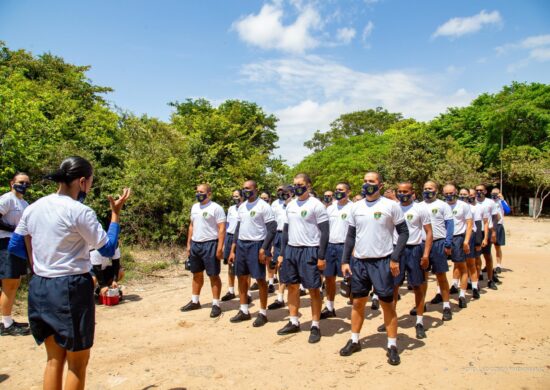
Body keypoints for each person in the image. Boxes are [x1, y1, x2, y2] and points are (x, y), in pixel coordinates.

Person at [8, 156, 130, 390]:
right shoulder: (80, 211)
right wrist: (115, 215)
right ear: (82, 181)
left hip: (41, 286)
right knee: (77, 362)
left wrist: (39, 265)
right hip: (70, 288)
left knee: (54, 360)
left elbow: (15, 246)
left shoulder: (34, 207)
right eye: (91, 182)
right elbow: (107, 247)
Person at [339, 172, 408, 365]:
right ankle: (354, 340)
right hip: (359, 262)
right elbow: (350, 236)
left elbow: (403, 233)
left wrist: (395, 258)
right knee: (358, 303)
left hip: (382, 262)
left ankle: (392, 345)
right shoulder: (356, 207)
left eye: (371, 181)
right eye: (365, 180)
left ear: (380, 185)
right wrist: (345, 261)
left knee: (387, 303)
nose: (367, 183)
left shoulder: (390, 205)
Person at [276, 173, 329, 343]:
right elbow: (285, 231)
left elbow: (325, 232)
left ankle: (315, 325)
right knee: (292, 286)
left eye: (300, 184)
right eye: (295, 184)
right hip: (292, 250)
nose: (297, 187)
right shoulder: (290, 205)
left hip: (310, 250)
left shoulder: (316, 205)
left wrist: (321, 256)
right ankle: (293, 321)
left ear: (309, 186)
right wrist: (282, 254)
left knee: (313, 289)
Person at [228, 180, 276, 327]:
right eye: (244, 189)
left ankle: (262, 313)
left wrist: (264, 249)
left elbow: (272, 229)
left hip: (257, 245)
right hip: (242, 245)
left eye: (248, 188)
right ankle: (244, 310)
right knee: (241, 278)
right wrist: (233, 249)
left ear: (256, 189)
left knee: (260, 280)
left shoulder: (264, 206)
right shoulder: (242, 207)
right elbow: (237, 229)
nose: (246, 191)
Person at [390, 181, 432, 339]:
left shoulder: (420, 208)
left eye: (405, 191)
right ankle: (391, 319)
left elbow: (429, 233)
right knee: (393, 287)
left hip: (414, 250)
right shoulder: (393, 207)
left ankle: (419, 322)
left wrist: (426, 254)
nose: (402, 194)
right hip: (396, 251)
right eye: (399, 191)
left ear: (412, 192)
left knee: (417, 286)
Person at [180, 184, 226, 317]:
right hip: (196, 245)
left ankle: (216, 304)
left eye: (202, 192)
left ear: (209, 194)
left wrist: (220, 247)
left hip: (210, 244)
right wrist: (189, 243)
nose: (198, 194)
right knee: (196, 274)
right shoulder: (194, 207)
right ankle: (195, 301)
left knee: (213, 275)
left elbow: (222, 228)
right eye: (197, 191)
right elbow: (191, 225)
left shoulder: (216, 208)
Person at [0, 172, 31, 336]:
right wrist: (13, 229)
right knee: (9, 283)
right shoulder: (7, 199)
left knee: (14, 283)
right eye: (21, 182)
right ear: (12, 183)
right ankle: (5, 324)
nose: (24, 185)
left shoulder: (24, 203)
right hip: (5, 243)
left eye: (27, 183)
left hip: (17, 245)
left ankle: (7, 320)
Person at [422, 181, 454, 321]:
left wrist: (448, 243)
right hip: (422, 245)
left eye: (430, 188)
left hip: (438, 243)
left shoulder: (443, 205)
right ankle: (420, 304)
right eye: (425, 188)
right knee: (422, 277)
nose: (427, 190)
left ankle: (446, 306)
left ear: (436, 190)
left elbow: (450, 224)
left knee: (441, 276)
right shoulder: (418, 206)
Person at [320, 182, 352, 319]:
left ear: (348, 192)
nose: (338, 192)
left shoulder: (353, 208)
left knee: (351, 278)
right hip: (330, 246)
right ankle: (330, 307)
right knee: (329, 278)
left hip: (346, 247)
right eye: (336, 189)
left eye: (341, 189)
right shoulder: (330, 208)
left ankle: (356, 305)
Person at [444, 184, 473, 309]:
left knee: (462, 266)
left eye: (451, 192)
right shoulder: (441, 205)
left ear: (456, 192)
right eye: (446, 193)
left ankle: (462, 295)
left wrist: (466, 241)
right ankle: (440, 293)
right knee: (441, 269)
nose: (449, 195)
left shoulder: (463, 205)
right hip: (443, 239)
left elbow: (469, 224)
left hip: (458, 238)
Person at [268, 185, 292, 310]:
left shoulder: (295, 204)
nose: (281, 193)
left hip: (293, 236)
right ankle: (280, 297)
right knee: (279, 264)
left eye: (284, 191)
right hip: (279, 235)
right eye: (279, 191)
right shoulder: (275, 204)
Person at [475, 184, 499, 290]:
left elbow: (495, 217)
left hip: (486, 231)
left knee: (487, 256)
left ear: (485, 191)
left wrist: (493, 232)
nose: (479, 192)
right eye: (477, 190)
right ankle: (475, 281)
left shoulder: (490, 202)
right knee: (476, 257)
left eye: (481, 190)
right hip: (475, 232)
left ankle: (490, 279)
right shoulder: (472, 202)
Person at [221, 190, 243, 302]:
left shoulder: (245, 208)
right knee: (230, 264)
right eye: (233, 196)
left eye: (237, 196)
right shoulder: (231, 209)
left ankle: (245, 293)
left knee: (242, 267)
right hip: (230, 237)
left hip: (241, 238)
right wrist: (225, 242)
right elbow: (228, 224)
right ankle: (231, 291)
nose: (235, 198)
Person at [490, 188, 509, 274]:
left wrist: (502, 199)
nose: (494, 195)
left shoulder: (501, 202)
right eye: (493, 193)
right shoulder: (489, 202)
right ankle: (488, 265)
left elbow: (508, 210)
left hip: (498, 226)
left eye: (496, 193)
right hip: (489, 226)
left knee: (497, 247)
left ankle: (498, 265)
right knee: (486, 248)